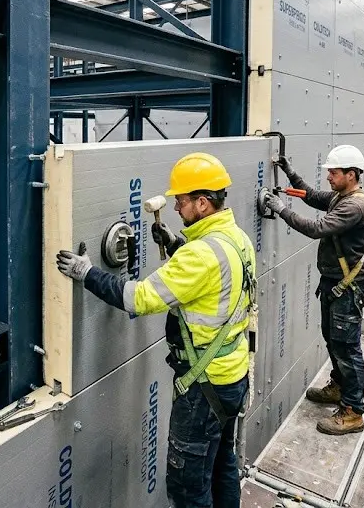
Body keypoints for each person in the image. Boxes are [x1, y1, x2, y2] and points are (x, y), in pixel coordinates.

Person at [55, 153, 255, 508]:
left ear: (203, 203)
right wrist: (178, 242)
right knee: (223, 466)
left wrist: (88, 274)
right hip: (232, 377)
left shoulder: (199, 257)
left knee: (187, 489)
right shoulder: (236, 239)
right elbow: (213, 279)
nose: (176, 207)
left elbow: (140, 298)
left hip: (203, 387)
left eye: (181, 201)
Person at [261, 144, 364, 436]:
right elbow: (311, 196)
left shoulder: (355, 205)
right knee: (333, 340)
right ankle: (340, 387)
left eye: (334, 173)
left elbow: (316, 228)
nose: (329, 177)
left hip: (348, 288)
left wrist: (281, 209)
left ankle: (353, 411)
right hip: (336, 284)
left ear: (351, 174)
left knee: (347, 347)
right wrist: (289, 171)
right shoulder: (341, 196)